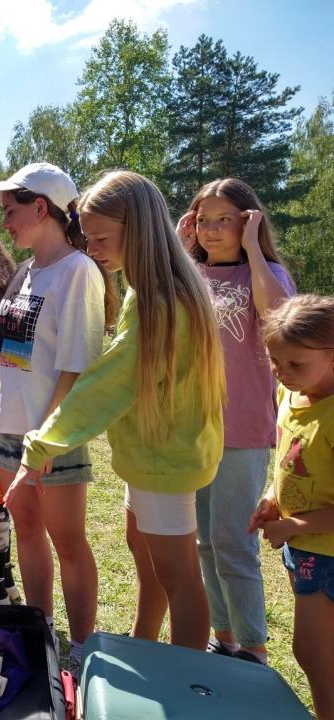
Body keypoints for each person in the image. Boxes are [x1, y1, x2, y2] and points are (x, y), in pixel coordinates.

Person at [8, 170, 225, 651]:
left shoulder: (163, 303)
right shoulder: (149, 290)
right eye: (88, 237)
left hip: (163, 462)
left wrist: (41, 444)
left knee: (179, 578)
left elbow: (107, 385)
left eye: (102, 238)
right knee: (148, 563)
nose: (93, 248)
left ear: (140, 231)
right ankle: (144, 645)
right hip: (152, 457)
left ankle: (185, 681)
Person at [0, 163, 118, 676]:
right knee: (24, 526)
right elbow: (8, 355)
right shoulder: (26, 273)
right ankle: (38, 628)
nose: (3, 221)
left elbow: (75, 366)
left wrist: (43, 442)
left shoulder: (78, 272)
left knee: (68, 540)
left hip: (53, 432)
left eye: (10, 211)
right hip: (9, 426)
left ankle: (84, 648)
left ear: (40, 208)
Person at [176, 178, 296, 665]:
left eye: (224, 218)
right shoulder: (192, 273)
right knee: (204, 541)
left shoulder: (267, 274)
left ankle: (254, 647)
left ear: (250, 219)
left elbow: (278, 321)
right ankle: (223, 637)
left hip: (241, 428)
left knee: (233, 543)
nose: (211, 229)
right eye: (203, 219)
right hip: (191, 427)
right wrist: (180, 251)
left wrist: (253, 250)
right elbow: (151, 310)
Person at [251, 294, 334, 720]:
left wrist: (294, 524)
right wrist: (271, 499)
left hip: (326, 553)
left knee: (315, 655)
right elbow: (290, 462)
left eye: (296, 364)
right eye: (275, 362)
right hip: (303, 548)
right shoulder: (291, 394)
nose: (282, 373)